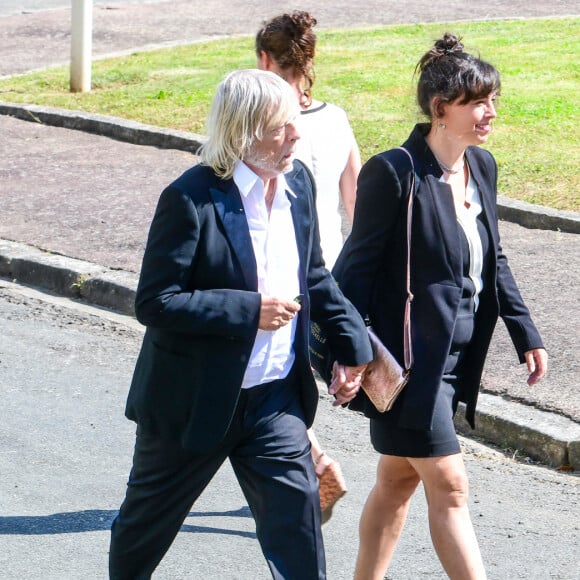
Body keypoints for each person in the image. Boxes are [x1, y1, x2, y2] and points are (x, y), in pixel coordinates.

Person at [108, 69, 373, 580]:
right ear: (243, 132)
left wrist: (353, 344)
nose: (296, 135)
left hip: (274, 401)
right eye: (282, 127)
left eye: (296, 122)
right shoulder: (190, 199)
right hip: (193, 403)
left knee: (298, 530)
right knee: (144, 530)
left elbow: (313, 275)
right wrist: (249, 312)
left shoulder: (297, 181)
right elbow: (156, 302)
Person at [334, 33, 548, 580]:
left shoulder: (483, 166)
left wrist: (525, 332)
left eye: (493, 100)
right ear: (440, 109)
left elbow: (493, 257)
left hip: (458, 358)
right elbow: (352, 271)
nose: (490, 112)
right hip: (411, 362)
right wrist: (347, 352)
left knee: (397, 481)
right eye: (478, 102)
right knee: (450, 484)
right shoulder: (395, 172)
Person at [256, 10, 362, 521]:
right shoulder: (337, 118)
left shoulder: (264, 123)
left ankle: (315, 463)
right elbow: (357, 200)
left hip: (280, 270)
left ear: (264, 60)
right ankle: (303, 465)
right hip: (332, 269)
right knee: (309, 367)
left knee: (274, 377)